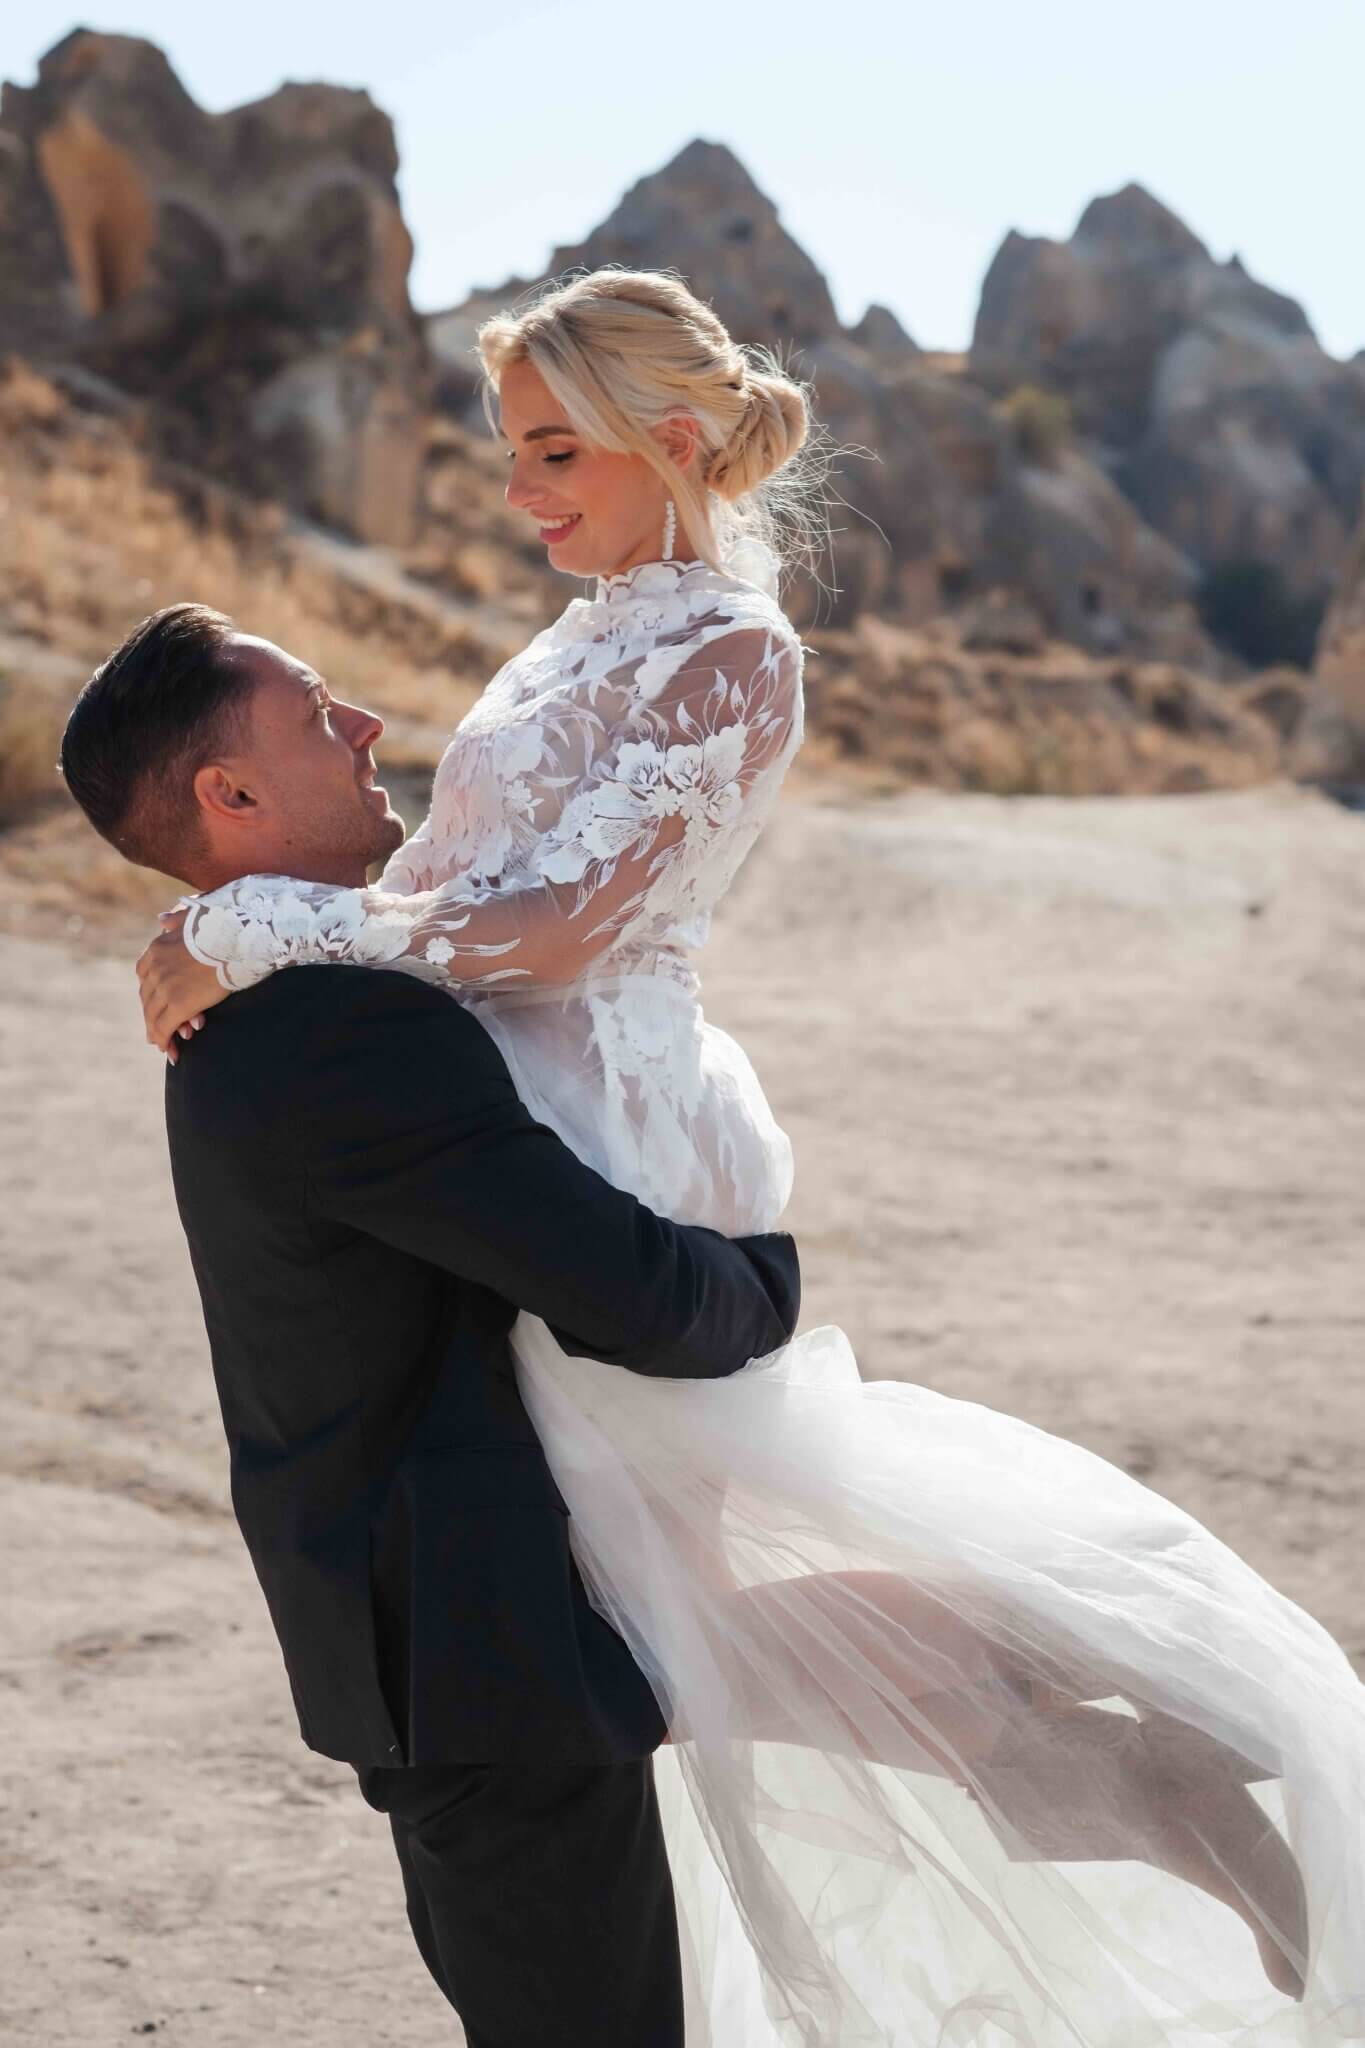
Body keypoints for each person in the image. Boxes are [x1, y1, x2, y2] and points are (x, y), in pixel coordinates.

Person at [90, 271, 1365, 2041]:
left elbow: (556, 930)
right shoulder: (567, 639)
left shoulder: (734, 650)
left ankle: (1110, 1704)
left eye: (556, 451)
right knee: (682, 1614)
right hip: (502, 1079)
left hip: (606, 1109)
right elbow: (453, 887)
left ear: (672, 441)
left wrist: (266, 926)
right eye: (511, 450)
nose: (520, 490)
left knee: (670, 1600)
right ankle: (1122, 1759)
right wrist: (286, 931)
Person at [57, 602, 801, 2048]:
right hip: (487, 1660)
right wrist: (768, 1281)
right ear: (231, 794)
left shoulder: (275, 1000)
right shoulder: (334, 1031)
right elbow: (634, 1298)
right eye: (316, 710)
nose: (366, 725)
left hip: (446, 1649)